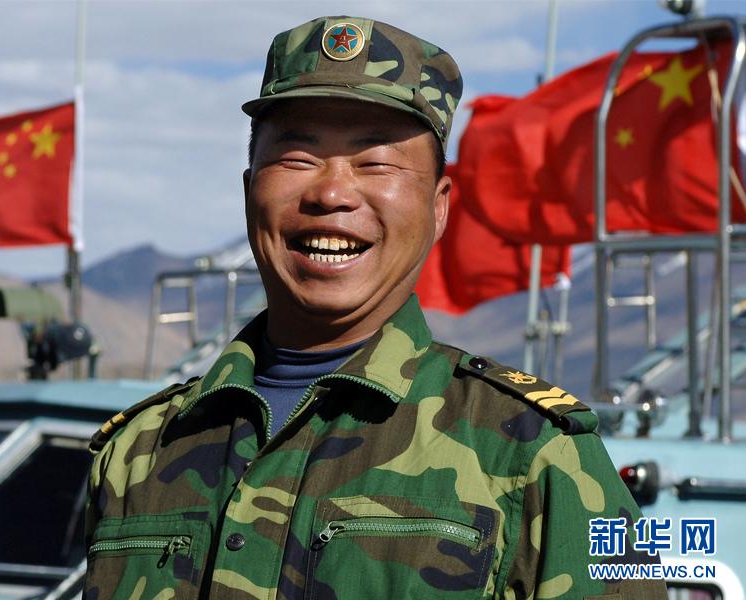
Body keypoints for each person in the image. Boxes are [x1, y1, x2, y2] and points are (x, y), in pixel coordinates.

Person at [84, 16, 668, 599]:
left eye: (376, 162)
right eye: (297, 157)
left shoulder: (535, 452)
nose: (331, 193)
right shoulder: (138, 450)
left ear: (438, 207)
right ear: (248, 190)